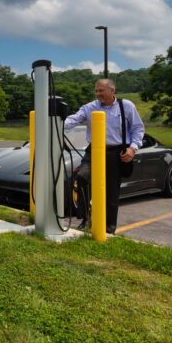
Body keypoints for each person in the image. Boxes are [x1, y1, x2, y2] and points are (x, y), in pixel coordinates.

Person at [64, 78, 144, 234]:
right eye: (96, 91)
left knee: (111, 190)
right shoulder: (90, 107)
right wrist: (53, 121)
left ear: (112, 90)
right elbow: (73, 120)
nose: (98, 93)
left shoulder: (126, 106)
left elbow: (138, 129)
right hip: (94, 150)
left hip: (116, 152)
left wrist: (132, 149)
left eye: (101, 90)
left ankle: (109, 228)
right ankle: (86, 219)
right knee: (82, 178)